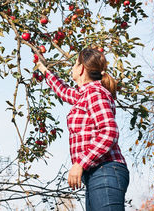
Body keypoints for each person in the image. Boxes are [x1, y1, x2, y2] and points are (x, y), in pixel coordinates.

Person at [37, 48, 129, 211]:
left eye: (75, 64)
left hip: (105, 171)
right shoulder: (84, 95)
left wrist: (80, 163)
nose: (72, 68)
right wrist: (44, 69)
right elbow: (63, 91)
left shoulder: (94, 93)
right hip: (96, 174)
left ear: (81, 69)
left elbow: (109, 131)